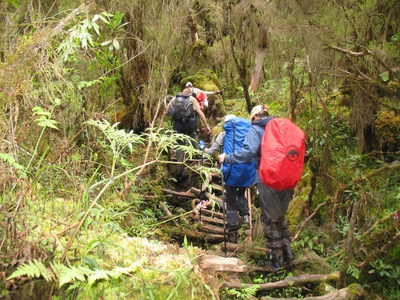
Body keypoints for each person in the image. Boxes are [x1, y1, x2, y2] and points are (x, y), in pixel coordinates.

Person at [218, 104, 295, 270]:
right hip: (286, 176)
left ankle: (275, 260)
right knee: (280, 214)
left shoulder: (256, 129)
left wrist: (227, 157)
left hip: (268, 176)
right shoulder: (278, 127)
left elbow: (248, 153)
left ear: (254, 117)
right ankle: (287, 252)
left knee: (270, 217)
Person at [204, 114, 254, 243]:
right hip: (245, 171)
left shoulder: (223, 135)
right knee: (241, 194)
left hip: (230, 171)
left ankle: (233, 232)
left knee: (230, 203)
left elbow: (212, 151)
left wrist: (204, 150)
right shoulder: (248, 134)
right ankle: (245, 217)